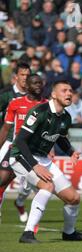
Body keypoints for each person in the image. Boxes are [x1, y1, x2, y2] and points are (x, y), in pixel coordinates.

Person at [9, 80, 82, 243]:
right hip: (21, 156)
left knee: (74, 198)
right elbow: (20, 141)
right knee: (47, 186)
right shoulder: (39, 112)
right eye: (64, 90)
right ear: (54, 95)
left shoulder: (66, 117)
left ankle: (69, 233)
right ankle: (27, 233)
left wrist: (70, 152)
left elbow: (60, 138)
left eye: (70, 91)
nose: (69, 93)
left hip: (42, 159)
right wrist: (35, 166)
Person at [0, 74, 46, 223]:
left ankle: (21, 204)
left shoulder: (46, 105)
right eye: (34, 82)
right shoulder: (15, 103)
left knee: (31, 187)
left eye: (40, 83)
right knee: (3, 179)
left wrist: (50, 150)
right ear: (27, 85)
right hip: (15, 149)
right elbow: (6, 128)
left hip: (35, 151)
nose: (38, 85)